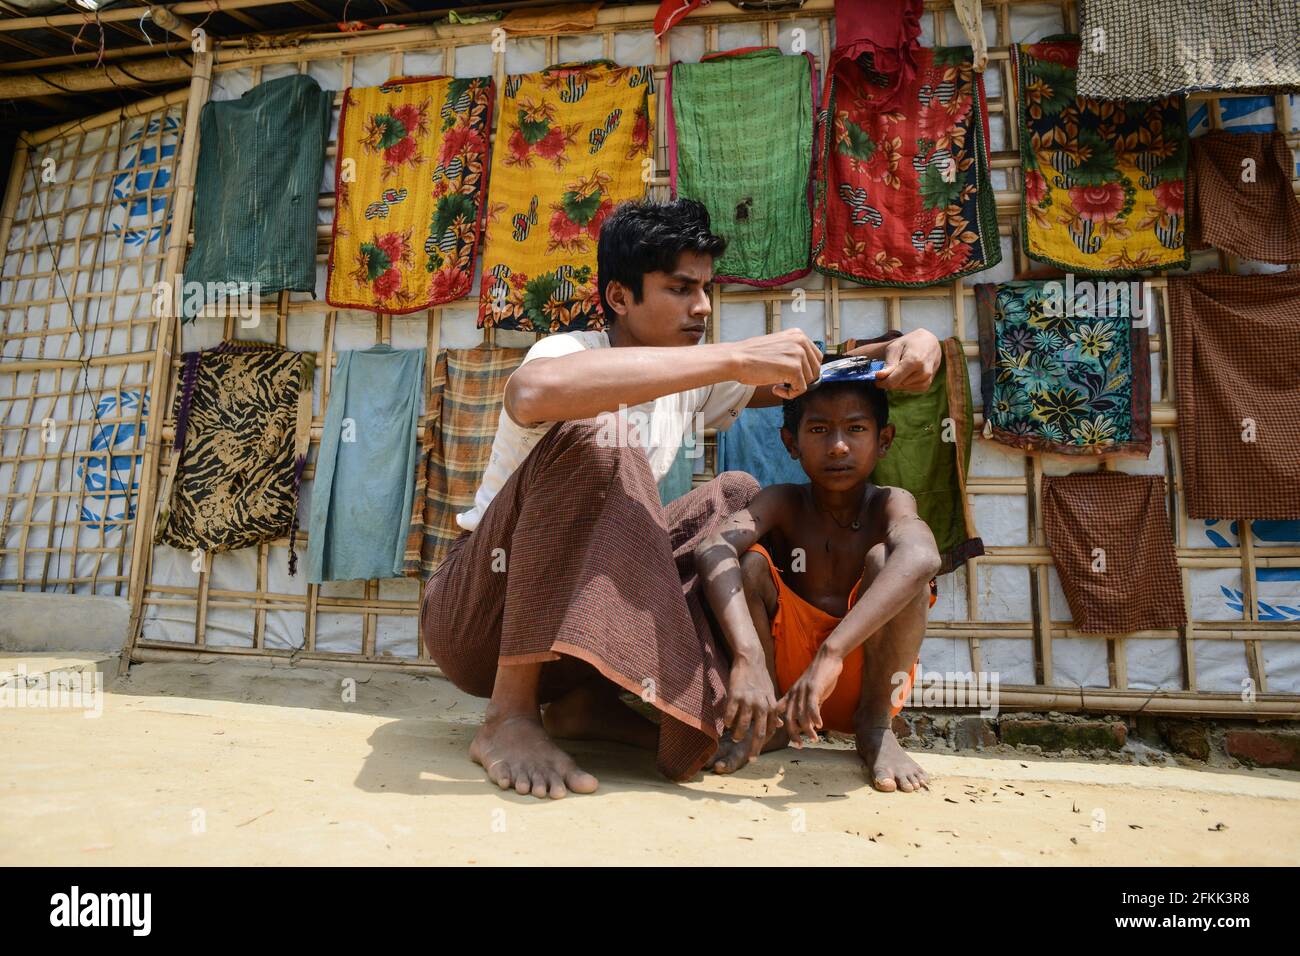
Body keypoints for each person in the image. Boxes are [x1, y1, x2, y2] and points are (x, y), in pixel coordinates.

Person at [420, 198, 942, 799]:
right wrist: (731, 358)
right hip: (480, 616)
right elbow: (533, 392)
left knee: (736, 495)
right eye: (680, 288)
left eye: (706, 288)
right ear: (619, 297)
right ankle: (509, 718)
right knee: (601, 435)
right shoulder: (568, 353)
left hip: (568, 636)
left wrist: (908, 345)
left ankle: (593, 707)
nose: (703, 307)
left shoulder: (695, 379)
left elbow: (820, 374)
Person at [694, 373, 940, 792]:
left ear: (884, 440)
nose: (839, 446)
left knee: (892, 563)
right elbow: (712, 549)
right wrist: (747, 655)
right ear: (792, 443)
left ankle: (876, 727)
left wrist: (832, 653)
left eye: (857, 429)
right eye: (819, 430)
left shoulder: (890, 503)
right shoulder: (783, 502)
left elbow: (923, 556)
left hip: (860, 677)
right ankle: (767, 724)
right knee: (750, 564)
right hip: (784, 685)